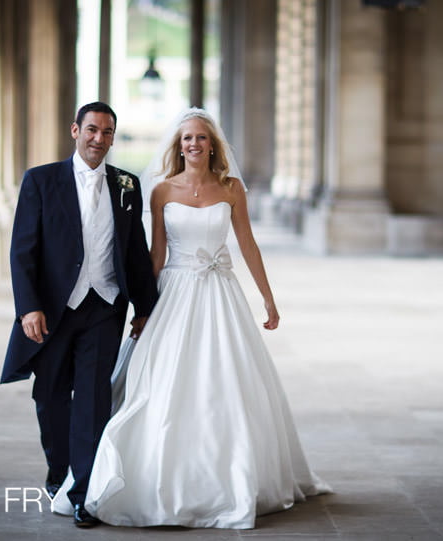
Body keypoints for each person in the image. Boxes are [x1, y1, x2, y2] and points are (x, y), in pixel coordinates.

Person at [51, 108, 329, 528]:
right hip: (175, 293)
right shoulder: (161, 191)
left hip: (220, 293)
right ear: (178, 146)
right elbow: (156, 255)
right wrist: (144, 309)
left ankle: (229, 479)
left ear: (212, 144)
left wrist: (268, 299)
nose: (193, 144)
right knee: (161, 384)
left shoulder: (232, 188)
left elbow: (248, 246)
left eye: (200, 138)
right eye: (186, 139)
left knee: (225, 385)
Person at [0, 102, 158, 529]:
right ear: (75, 130)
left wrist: (145, 308)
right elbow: (22, 251)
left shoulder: (128, 184)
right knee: (50, 396)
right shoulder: (41, 180)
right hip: (53, 310)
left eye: (107, 133)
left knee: (92, 400)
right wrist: (28, 307)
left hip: (105, 307)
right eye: (91, 130)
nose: (98, 139)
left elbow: (135, 253)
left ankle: (83, 494)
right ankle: (59, 473)